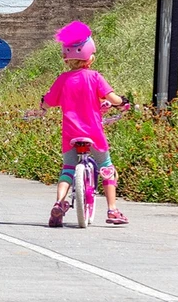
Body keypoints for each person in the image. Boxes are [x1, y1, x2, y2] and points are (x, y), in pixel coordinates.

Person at [40, 20, 128, 227]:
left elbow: (50, 101)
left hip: (70, 134)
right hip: (93, 133)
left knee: (68, 168)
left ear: (66, 57)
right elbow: (113, 98)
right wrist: (122, 101)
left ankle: (59, 203)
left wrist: (42, 103)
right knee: (106, 166)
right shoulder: (95, 77)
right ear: (90, 56)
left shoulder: (62, 80)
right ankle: (113, 210)